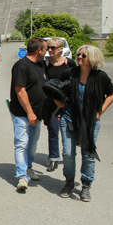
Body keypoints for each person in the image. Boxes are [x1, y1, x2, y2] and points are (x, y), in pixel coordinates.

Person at [55, 45, 113, 202]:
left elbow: (112, 94)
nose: (79, 57)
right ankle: (69, 182)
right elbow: (52, 87)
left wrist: (99, 112)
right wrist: (59, 102)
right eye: (78, 54)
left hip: (90, 122)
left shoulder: (101, 77)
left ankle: (86, 185)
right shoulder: (70, 73)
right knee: (68, 153)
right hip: (69, 118)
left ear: (92, 59)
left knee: (88, 155)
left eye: (83, 55)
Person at [9, 37, 47, 191]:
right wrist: (30, 112)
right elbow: (20, 90)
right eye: (45, 49)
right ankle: (22, 176)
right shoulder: (21, 66)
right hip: (22, 114)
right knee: (21, 143)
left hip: (37, 113)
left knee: (32, 143)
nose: (47, 52)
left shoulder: (41, 65)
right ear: (39, 50)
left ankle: (28, 167)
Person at [43, 38, 76, 172]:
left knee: (67, 131)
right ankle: (54, 159)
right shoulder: (45, 64)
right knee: (53, 130)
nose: (50, 50)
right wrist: (55, 99)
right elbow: (43, 84)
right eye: (48, 47)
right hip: (52, 102)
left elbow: (76, 81)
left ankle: (69, 156)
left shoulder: (70, 63)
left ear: (61, 49)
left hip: (67, 103)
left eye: (53, 47)